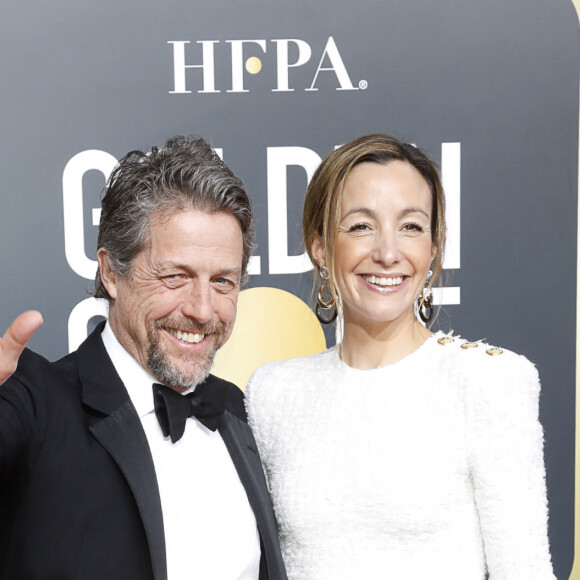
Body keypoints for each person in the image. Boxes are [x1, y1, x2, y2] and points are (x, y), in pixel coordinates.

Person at [245, 133, 556, 580]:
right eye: (360, 226)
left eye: (411, 226)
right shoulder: (275, 393)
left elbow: (524, 571)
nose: (388, 253)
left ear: (432, 249)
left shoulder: (490, 381)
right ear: (319, 246)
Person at [0, 136, 287, 580]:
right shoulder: (34, 402)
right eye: (175, 276)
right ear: (111, 272)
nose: (203, 309)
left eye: (224, 282)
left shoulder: (236, 410)